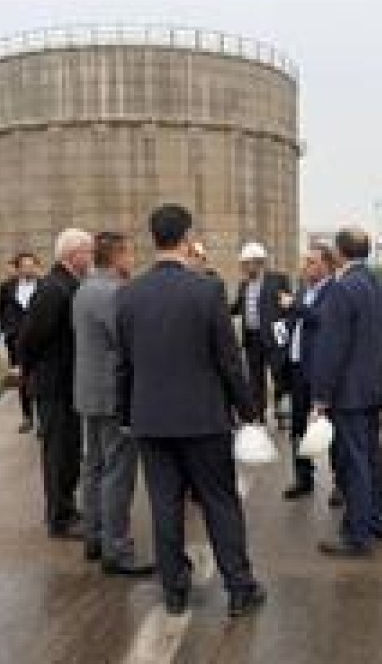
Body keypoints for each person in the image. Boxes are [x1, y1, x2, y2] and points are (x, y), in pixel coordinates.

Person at [118, 204, 266, 618]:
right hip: (203, 418)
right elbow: (228, 358)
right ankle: (239, 587)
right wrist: (248, 409)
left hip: (150, 419)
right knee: (219, 502)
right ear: (186, 239)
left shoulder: (129, 294)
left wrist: (126, 415)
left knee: (165, 505)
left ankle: (174, 591)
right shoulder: (206, 290)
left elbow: (124, 364)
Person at [72, 232, 157, 578]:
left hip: (88, 391)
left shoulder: (84, 289)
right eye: (130, 254)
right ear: (118, 256)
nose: (133, 260)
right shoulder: (114, 293)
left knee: (94, 466)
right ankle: (116, 548)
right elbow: (127, 342)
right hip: (112, 395)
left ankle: (94, 536)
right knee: (118, 472)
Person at [309, 228, 382, 558]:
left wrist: (321, 394)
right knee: (372, 458)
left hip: (349, 392)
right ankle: (377, 523)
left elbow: (332, 347)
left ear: (339, 252)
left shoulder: (343, 289)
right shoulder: (378, 284)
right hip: (372, 387)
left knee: (353, 462)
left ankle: (357, 535)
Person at [19, 230, 93, 540]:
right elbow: (30, 338)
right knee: (59, 454)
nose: (91, 258)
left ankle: (66, 508)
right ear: (72, 255)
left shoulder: (69, 285)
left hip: (66, 384)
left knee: (70, 451)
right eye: (88, 252)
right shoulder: (53, 288)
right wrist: (31, 371)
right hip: (54, 385)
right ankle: (60, 517)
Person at [280, 243, 337, 500]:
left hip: (319, 368)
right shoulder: (304, 290)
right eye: (305, 261)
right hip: (297, 366)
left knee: (329, 425)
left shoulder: (334, 291)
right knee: (298, 426)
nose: (305, 266)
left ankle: (340, 483)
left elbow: (321, 319)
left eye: (311, 262)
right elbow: (299, 320)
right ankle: (303, 477)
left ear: (327, 265)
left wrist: (294, 305)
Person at [230, 242, 291, 424]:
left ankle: (281, 412)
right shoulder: (243, 285)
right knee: (256, 379)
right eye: (243, 264)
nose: (244, 267)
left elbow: (288, 307)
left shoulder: (278, 280)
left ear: (258, 262)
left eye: (247, 263)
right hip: (252, 338)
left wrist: (284, 336)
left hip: (274, 337)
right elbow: (237, 307)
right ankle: (259, 415)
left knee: (279, 375)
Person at [0, 253, 39, 433]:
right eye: (25, 266)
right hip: (16, 340)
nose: (29, 269)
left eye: (32, 266)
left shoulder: (44, 286)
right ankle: (27, 417)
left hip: (38, 339)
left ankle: (42, 418)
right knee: (22, 378)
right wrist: (5, 327)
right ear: (18, 269)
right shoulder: (7, 287)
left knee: (40, 377)